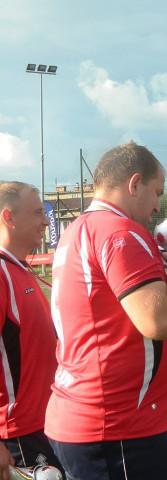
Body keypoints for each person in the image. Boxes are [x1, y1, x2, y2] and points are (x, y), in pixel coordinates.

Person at [46, 143, 167, 480]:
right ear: (135, 183)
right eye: (157, 192)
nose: (158, 205)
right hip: (116, 426)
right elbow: (158, 320)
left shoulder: (81, 228)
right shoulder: (119, 231)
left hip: (102, 420)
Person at [0, 182, 63, 473]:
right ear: (8, 217)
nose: (45, 222)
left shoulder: (19, 269)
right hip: (16, 434)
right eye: (38, 212)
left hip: (42, 423)